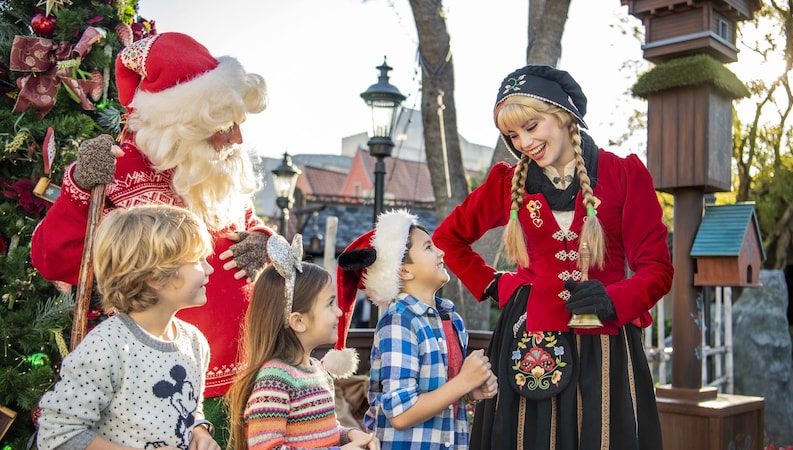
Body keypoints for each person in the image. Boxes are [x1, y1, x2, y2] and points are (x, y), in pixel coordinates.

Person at [30, 32, 271, 446]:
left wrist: (264, 241)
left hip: (241, 381)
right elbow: (55, 259)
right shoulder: (118, 171)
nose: (237, 140)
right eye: (224, 125)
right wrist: (80, 188)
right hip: (150, 384)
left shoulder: (216, 173)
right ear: (184, 122)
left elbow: (250, 228)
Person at [431, 65, 674, 450]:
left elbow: (657, 270)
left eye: (531, 126)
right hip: (529, 339)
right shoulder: (507, 183)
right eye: (513, 134)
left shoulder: (625, 175)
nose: (524, 142)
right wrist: (495, 284)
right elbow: (448, 238)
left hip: (606, 340)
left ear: (562, 114)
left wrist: (615, 298)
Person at [37, 204, 219, 450]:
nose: (209, 269)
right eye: (198, 260)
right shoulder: (106, 347)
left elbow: (188, 408)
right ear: (156, 277)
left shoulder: (195, 343)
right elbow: (58, 433)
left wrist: (199, 431)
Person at [335, 209, 498, 450]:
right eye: (429, 248)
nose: (441, 252)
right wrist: (463, 382)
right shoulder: (399, 322)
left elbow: (439, 391)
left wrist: (470, 390)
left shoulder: (452, 319)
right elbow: (400, 414)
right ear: (404, 271)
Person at [225, 233, 379, 450]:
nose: (338, 312)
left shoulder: (318, 370)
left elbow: (324, 433)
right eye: (330, 304)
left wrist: (349, 435)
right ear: (298, 321)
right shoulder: (275, 379)